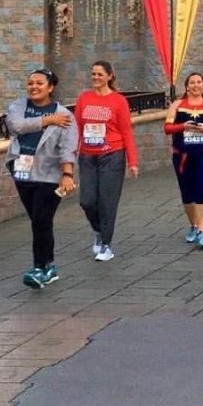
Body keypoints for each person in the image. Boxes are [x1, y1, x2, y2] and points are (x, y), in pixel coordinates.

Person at [4, 68, 79, 288]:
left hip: (49, 175)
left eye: (39, 83)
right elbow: (16, 125)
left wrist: (67, 174)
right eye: (30, 83)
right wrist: (47, 120)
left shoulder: (64, 115)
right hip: (22, 172)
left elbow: (67, 147)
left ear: (50, 87)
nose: (34, 87)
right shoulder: (19, 106)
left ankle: (39, 268)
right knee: (38, 221)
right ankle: (49, 266)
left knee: (41, 221)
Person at [74, 60, 139, 262]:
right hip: (87, 156)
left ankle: (106, 245)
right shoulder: (84, 98)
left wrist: (132, 161)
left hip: (112, 155)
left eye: (100, 74)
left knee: (107, 202)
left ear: (110, 76)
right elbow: (76, 129)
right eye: (93, 74)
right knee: (87, 200)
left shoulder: (119, 101)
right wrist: (70, 155)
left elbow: (126, 132)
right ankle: (99, 231)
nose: (95, 78)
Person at [164, 72, 203, 249]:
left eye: (199, 82)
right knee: (187, 193)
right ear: (187, 86)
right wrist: (183, 126)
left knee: (202, 189)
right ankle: (194, 225)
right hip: (181, 154)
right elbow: (167, 128)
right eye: (192, 82)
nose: (196, 85)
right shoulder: (177, 104)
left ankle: (202, 230)